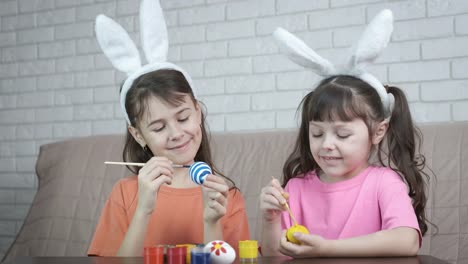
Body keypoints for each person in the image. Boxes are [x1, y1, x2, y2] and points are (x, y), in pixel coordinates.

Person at [260, 10, 430, 258]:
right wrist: (270, 220)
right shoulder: (295, 188)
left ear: (378, 131)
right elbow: (274, 256)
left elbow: (407, 241)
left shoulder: (384, 183)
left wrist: (326, 249)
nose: (326, 144)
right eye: (317, 134)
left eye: (342, 135)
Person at [88, 0, 249, 256]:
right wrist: (143, 209)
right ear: (138, 134)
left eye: (183, 118)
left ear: (198, 111)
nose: (176, 133)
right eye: (159, 127)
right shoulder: (125, 194)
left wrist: (211, 223)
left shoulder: (225, 195)